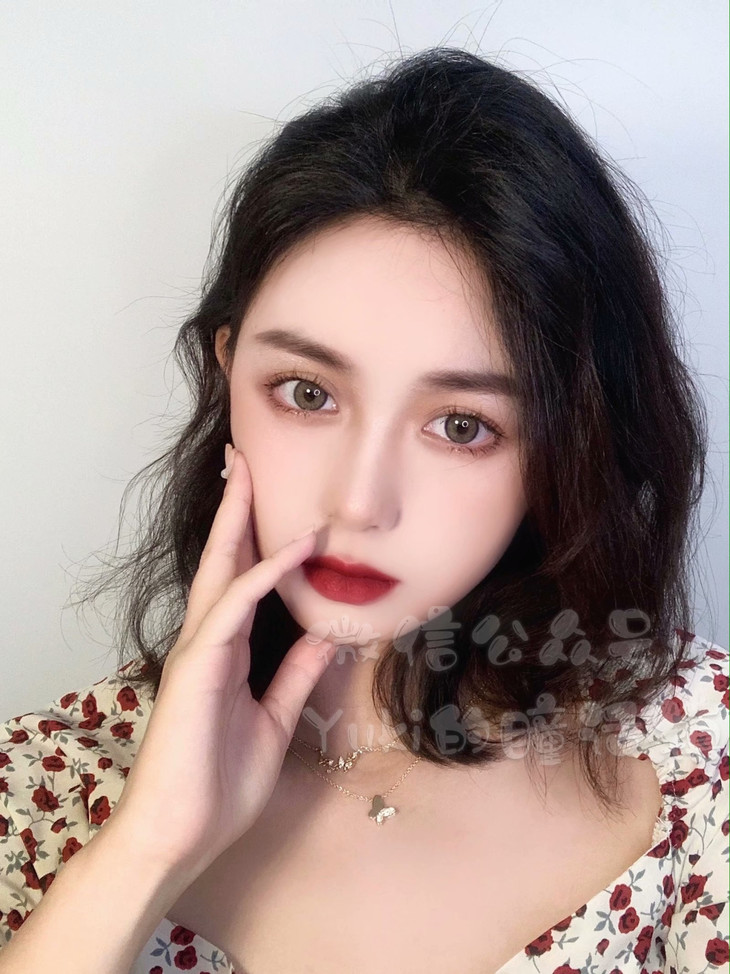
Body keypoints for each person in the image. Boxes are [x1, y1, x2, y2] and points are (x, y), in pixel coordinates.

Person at [0, 46, 727, 974]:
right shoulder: (43, 789)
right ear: (226, 374)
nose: (358, 502)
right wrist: (146, 849)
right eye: (306, 394)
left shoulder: (702, 756)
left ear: (567, 445)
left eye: (461, 425)